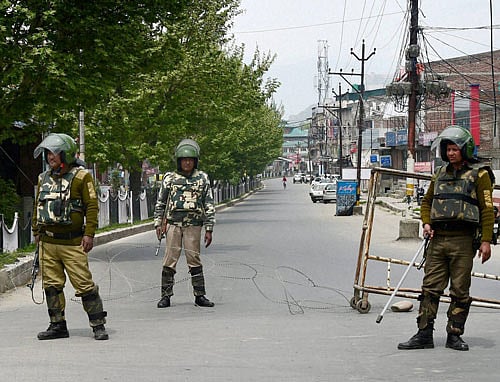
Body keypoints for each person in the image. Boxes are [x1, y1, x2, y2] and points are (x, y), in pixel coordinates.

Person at [398, 126, 495, 351]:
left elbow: (487, 210)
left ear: (465, 150)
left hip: (463, 241)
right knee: (430, 288)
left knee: (460, 291)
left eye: (455, 149)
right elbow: (426, 202)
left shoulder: (479, 175)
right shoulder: (440, 173)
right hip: (438, 240)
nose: (451, 153)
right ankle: (424, 334)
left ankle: (454, 335)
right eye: (448, 149)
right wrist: (427, 222)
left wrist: (486, 241)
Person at [32, 133, 108, 340]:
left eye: (54, 153)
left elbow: (91, 206)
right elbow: (37, 205)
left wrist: (89, 234)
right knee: (52, 286)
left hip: (73, 243)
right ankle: (57, 325)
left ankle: (98, 324)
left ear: (65, 154)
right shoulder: (43, 178)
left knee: (84, 285)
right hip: (48, 242)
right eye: (48, 154)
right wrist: (36, 232)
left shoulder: (82, 177)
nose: (50, 158)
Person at [154, 139, 216, 308]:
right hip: (173, 224)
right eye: (184, 160)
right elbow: (161, 202)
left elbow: (208, 203)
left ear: (195, 161)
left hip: (193, 225)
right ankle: (165, 296)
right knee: (169, 260)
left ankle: (200, 295)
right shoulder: (170, 178)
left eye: (190, 160)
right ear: (179, 161)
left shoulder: (202, 178)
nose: (187, 163)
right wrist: (158, 224)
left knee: (194, 259)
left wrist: (209, 228)